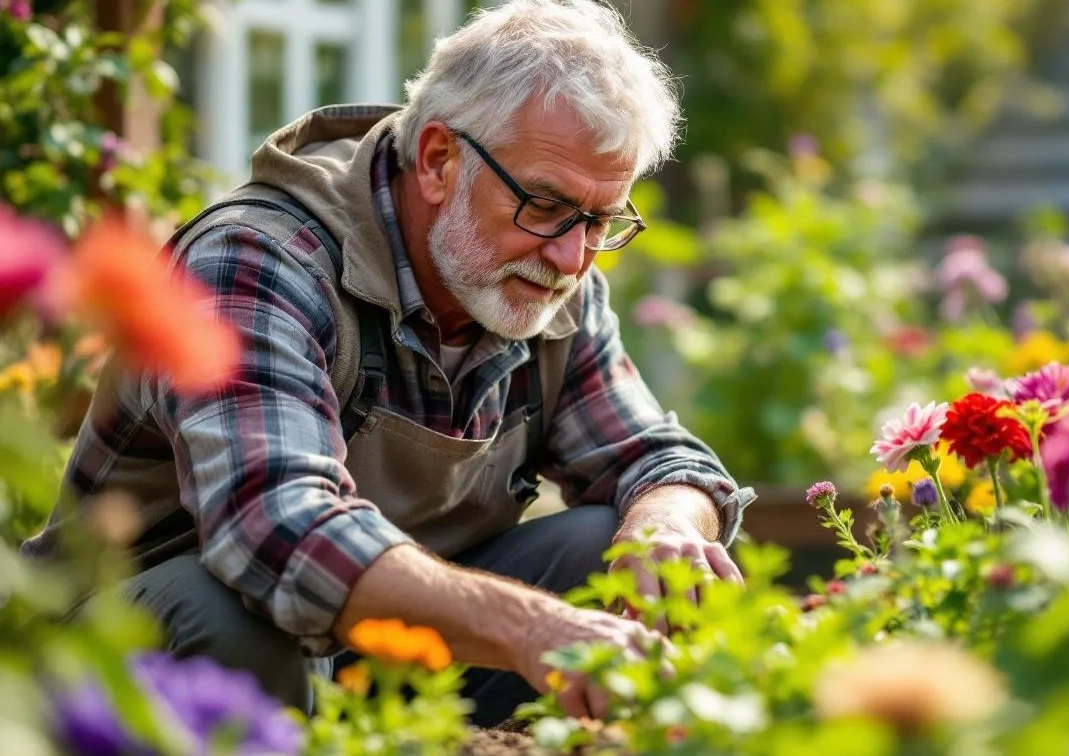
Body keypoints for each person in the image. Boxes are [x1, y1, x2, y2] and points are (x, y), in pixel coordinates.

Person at [21, 0, 754, 726]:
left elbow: (656, 456)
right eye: (545, 204)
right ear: (438, 159)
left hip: (372, 649)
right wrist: (535, 630)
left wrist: (663, 525)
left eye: (601, 220)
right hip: (125, 659)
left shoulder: (544, 277)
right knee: (236, 616)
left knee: (609, 550)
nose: (573, 255)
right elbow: (282, 532)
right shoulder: (260, 261)